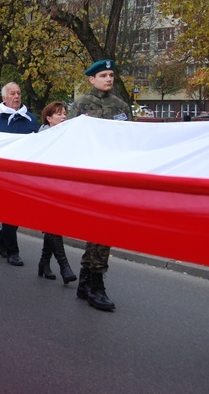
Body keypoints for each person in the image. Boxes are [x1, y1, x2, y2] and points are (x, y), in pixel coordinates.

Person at [69, 59, 132, 311]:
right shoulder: (81, 105)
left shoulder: (121, 106)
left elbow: (130, 140)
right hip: (90, 175)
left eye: (111, 75)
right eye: (103, 75)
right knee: (99, 228)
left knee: (103, 229)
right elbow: (71, 139)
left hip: (112, 175)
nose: (109, 79)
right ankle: (95, 284)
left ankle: (87, 282)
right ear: (91, 80)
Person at [0, 82, 39, 266]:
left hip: (23, 174)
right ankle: (13, 251)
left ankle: (1, 237)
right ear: (4, 98)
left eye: (19, 94)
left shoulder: (30, 119)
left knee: (21, 211)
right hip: (2, 175)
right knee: (9, 211)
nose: (16, 97)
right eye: (12, 94)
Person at [37, 102, 77, 284]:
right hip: (45, 188)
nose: (63, 117)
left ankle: (44, 263)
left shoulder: (68, 137)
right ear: (49, 118)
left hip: (62, 188)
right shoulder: (42, 137)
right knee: (54, 226)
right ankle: (64, 266)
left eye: (65, 113)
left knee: (53, 226)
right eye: (59, 114)